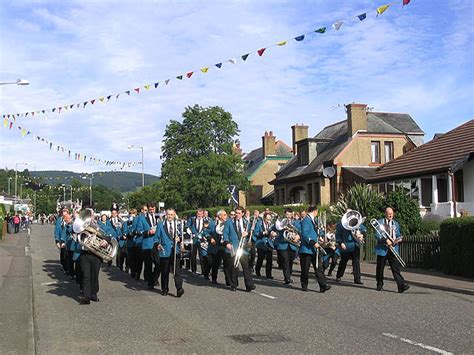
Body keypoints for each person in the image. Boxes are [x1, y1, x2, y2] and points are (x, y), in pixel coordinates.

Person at [80, 213, 115, 305]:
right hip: (85, 253)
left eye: (91, 215)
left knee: (94, 275)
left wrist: (106, 240)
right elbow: (74, 233)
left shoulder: (100, 225)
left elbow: (111, 233)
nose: (89, 217)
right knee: (86, 275)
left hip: (96, 254)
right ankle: (86, 296)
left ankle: (93, 293)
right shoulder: (81, 225)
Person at [374, 207, 410, 293]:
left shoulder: (396, 224)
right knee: (380, 268)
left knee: (395, 268)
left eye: (392, 213)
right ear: (385, 214)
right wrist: (385, 240)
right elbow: (377, 235)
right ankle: (379, 284)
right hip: (383, 249)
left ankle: (401, 285)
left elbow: (397, 234)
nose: (390, 215)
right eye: (388, 213)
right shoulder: (380, 222)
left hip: (393, 248)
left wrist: (399, 239)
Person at [223, 206, 255, 292]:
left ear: (243, 213)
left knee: (246, 267)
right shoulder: (229, 222)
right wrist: (227, 243)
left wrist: (247, 233)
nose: (237, 215)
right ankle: (234, 284)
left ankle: (249, 285)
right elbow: (225, 233)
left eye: (239, 213)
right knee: (234, 266)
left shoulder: (246, 222)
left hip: (243, 247)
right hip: (234, 247)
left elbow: (251, 232)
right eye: (236, 213)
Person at [299, 206, 331, 293]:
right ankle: (304, 285)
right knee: (305, 269)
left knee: (318, 268)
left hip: (314, 249)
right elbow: (305, 234)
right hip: (307, 249)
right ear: (315, 211)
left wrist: (320, 238)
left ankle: (323, 285)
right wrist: (313, 242)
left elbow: (314, 232)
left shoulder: (314, 220)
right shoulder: (306, 220)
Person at [156, 208, 184, 297]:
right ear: (166, 215)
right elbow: (156, 237)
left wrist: (179, 239)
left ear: (174, 215)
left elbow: (181, 236)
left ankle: (179, 288)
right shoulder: (160, 225)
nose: (170, 216)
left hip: (175, 250)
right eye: (168, 214)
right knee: (165, 271)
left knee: (177, 271)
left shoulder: (177, 224)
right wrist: (158, 244)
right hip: (165, 251)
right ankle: (165, 289)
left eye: (171, 215)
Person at [335, 211, 366, 285]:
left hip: (355, 245)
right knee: (343, 261)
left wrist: (362, 235)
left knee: (356, 262)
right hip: (346, 245)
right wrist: (341, 243)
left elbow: (363, 229)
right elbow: (338, 235)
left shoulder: (357, 222)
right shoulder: (341, 224)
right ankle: (339, 275)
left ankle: (357, 279)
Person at [136, 202, 159, 290]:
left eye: (153, 209)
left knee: (158, 264)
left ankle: (154, 278)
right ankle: (150, 283)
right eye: (150, 209)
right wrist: (148, 232)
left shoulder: (158, 217)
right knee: (148, 265)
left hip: (156, 243)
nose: (152, 211)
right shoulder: (142, 218)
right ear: (148, 209)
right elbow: (139, 231)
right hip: (147, 244)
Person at [275, 208, 300, 284]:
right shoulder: (281, 221)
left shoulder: (295, 222)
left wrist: (298, 236)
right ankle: (287, 278)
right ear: (285, 214)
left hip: (292, 244)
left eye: (290, 214)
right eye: (287, 214)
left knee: (290, 260)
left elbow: (299, 230)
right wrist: (273, 232)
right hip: (282, 244)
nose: (289, 216)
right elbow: (275, 228)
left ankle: (289, 274)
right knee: (285, 260)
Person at [255, 212, 274, 279]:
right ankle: (257, 271)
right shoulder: (259, 224)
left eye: (269, 219)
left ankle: (268, 274)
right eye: (267, 219)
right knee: (260, 258)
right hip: (261, 243)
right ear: (264, 218)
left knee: (269, 260)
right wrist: (263, 233)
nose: (268, 221)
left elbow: (274, 231)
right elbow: (256, 234)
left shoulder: (271, 224)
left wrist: (273, 233)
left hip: (269, 243)